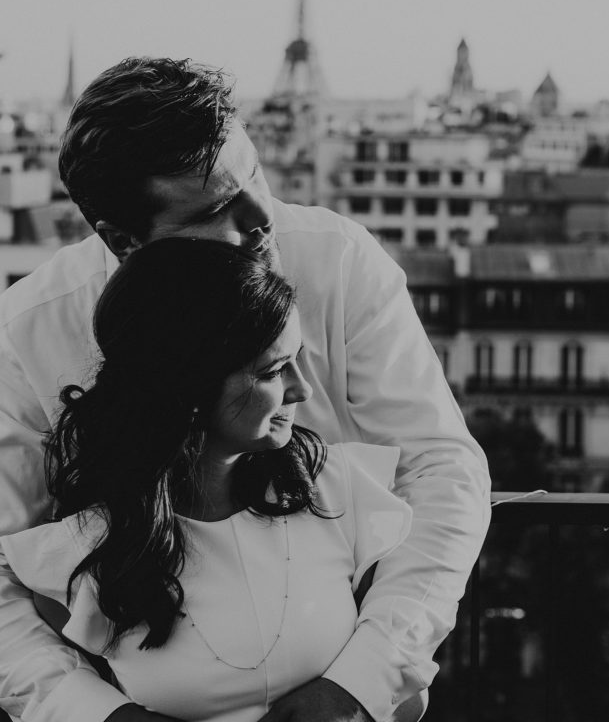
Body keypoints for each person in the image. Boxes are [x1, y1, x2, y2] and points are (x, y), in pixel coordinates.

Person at [0, 56, 490, 722]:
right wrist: (88, 712)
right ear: (121, 240)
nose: (262, 217)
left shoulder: (337, 261)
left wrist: (362, 679)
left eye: (254, 175)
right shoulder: (28, 333)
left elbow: (440, 471)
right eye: (216, 209)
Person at [2, 238, 420, 722]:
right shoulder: (85, 554)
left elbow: (409, 696)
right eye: (274, 371)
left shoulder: (338, 492)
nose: (301, 389)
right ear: (189, 390)